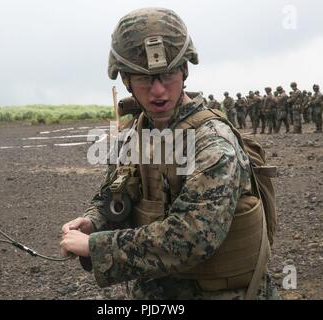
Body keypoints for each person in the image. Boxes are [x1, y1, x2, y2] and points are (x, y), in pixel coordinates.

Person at [60, 7, 279, 300]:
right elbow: (114, 193)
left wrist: (96, 247)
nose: (158, 90)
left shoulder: (213, 143)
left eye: (168, 75)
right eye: (144, 79)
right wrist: (94, 220)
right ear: (125, 80)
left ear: (184, 70)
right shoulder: (134, 133)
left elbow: (193, 236)